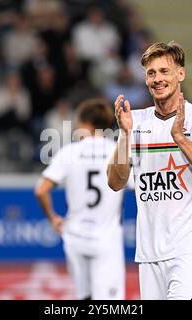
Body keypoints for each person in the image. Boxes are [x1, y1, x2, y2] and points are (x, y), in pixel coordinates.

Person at [107, 41, 192, 300]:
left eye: (164, 71)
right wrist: (125, 135)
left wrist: (181, 139)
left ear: (180, 74)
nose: (157, 79)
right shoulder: (135, 121)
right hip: (149, 252)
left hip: (191, 248)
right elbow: (115, 182)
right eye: (151, 73)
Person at [35, 98, 128, 300]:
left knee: (84, 297)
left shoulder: (69, 152)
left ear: (86, 123)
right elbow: (140, 187)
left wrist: (53, 218)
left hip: (75, 236)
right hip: (106, 238)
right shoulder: (118, 151)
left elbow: (41, 190)